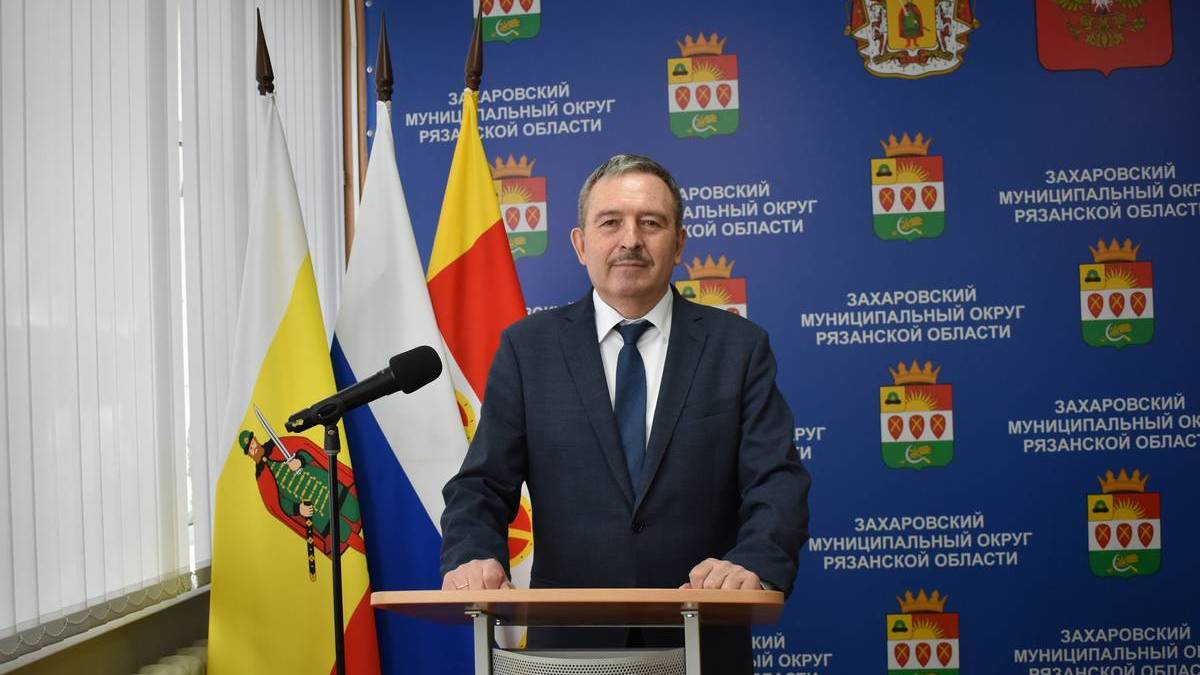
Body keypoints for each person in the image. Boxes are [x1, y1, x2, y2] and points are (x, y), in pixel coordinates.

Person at [439, 154, 810, 674]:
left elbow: (777, 481)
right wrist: (472, 554)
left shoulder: (738, 348)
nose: (630, 239)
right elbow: (481, 484)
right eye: (610, 222)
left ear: (678, 244)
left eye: (651, 223)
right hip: (567, 650)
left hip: (703, 641)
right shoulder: (528, 349)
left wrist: (752, 562)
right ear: (580, 244)